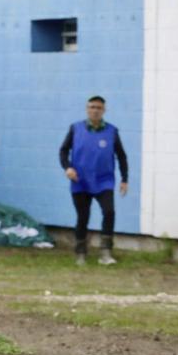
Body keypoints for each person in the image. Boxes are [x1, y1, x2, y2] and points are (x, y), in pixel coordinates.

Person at [60, 96, 129, 266]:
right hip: (80, 181)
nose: (95, 110)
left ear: (104, 110)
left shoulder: (112, 131)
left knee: (109, 212)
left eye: (98, 107)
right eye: (92, 107)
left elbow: (121, 156)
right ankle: (81, 252)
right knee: (83, 216)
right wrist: (68, 167)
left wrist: (124, 179)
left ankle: (106, 253)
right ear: (87, 109)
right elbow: (63, 151)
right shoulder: (75, 129)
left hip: (104, 181)